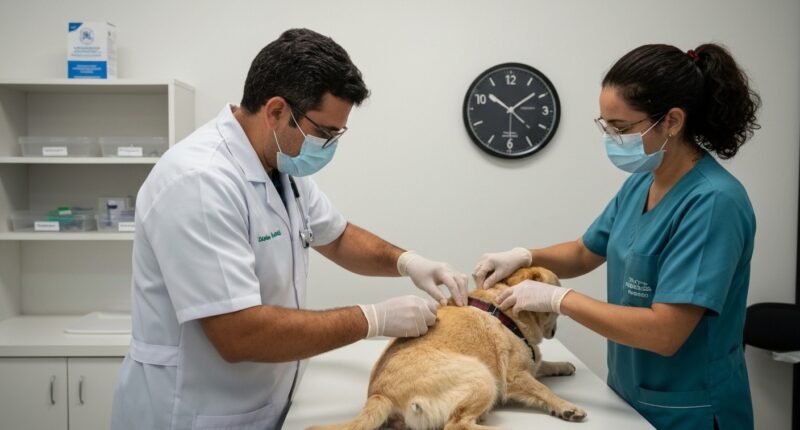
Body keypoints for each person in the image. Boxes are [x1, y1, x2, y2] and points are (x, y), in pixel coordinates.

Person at [111, 28, 468, 430]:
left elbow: (338, 236)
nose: (330, 145)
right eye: (325, 132)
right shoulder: (199, 182)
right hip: (196, 412)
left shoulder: (279, 165)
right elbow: (238, 334)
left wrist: (408, 261)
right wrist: (371, 319)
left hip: (265, 400)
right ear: (277, 111)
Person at [473, 43, 760, 429]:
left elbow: (665, 332)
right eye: (606, 126)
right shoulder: (642, 182)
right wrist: (525, 256)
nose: (611, 137)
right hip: (630, 393)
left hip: (689, 408)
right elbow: (584, 252)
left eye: (622, 128)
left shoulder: (714, 204)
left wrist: (560, 299)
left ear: (672, 121)